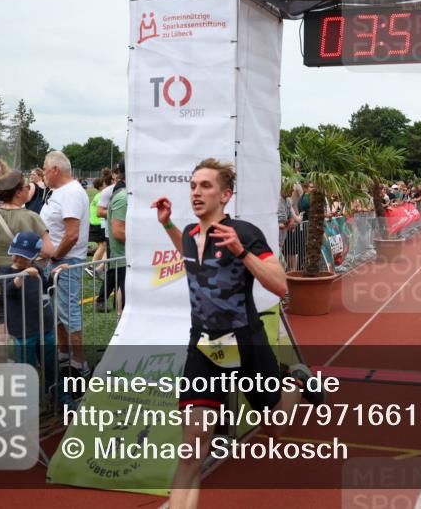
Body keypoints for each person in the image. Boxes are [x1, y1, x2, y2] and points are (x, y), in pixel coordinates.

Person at [150, 158, 322, 509]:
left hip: (245, 343)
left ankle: (296, 383)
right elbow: (188, 250)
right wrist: (168, 225)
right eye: (193, 186)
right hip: (202, 346)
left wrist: (242, 253)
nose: (197, 192)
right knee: (193, 448)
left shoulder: (243, 233)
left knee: (275, 428)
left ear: (225, 195)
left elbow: (280, 286)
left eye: (206, 186)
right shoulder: (190, 235)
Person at [0, 171, 54, 361]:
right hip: (23, 286)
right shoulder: (31, 217)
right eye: (26, 186)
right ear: (18, 192)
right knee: (28, 336)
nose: (29, 189)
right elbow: (49, 251)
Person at [39, 151, 89, 374]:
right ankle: (64, 353)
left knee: (68, 310)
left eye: (44, 169)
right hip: (58, 259)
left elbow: (71, 235)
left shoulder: (70, 193)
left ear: (55, 170)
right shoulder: (61, 192)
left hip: (65, 260)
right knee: (58, 310)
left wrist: (56, 256)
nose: (43, 174)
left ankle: (79, 361)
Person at [0, 231, 56, 392]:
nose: (19, 259)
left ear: (34, 256)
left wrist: (53, 275)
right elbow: (8, 291)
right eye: (16, 255)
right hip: (23, 331)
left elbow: (46, 290)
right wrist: (22, 275)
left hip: (45, 327)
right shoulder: (5, 272)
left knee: (50, 365)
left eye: (24, 257)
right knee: (26, 368)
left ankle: (55, 395)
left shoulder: (36, 269)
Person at [106, 177, 127, 317]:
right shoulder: (124, 198)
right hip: (125, 258)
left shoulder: (125, 196)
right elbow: (119, 232)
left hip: (125, 258)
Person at [86, 177, 107, 278]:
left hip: (95, 223)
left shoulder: (98, 195)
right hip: (99, 223)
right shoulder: (102, 196)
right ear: (102, 185)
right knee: (104, 246)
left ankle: (98, 267)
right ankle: (92, 267)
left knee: (103, 246)